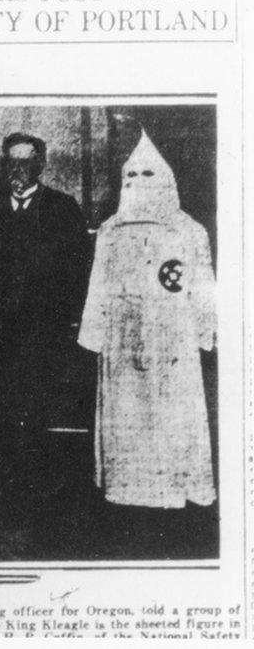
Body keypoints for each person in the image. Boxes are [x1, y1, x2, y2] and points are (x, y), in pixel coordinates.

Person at [78, 131, 216, 516]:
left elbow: (203, 286)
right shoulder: (110, 230)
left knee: (171, 415)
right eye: (131, 175)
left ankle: (173, 487)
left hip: (173, 339)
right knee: (127, 413)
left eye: (148, 175)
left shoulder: (189, 231)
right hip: (123, 341)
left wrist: (206, 328)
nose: (139, 183)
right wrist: (94, 334)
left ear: (166, 178)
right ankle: (126, 489)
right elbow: (98, 286)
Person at [0, 132, 90, 515]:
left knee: (37, 408)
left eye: (26, 162)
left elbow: (77, 273)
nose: (18, 170)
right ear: (4, 165)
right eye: (12, 162)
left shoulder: (62, 208)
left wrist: (66, 325)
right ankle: (0, 493)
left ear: (40, 165)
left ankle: (34, 494)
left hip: (44, 332)